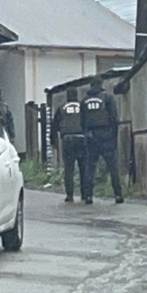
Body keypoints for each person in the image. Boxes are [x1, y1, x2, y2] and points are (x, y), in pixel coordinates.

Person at [83, 76, 123, 204]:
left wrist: (87, 134)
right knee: (112, 167)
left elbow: (82, 121)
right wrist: (113, 135)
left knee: (90, 167)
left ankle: (88, 196)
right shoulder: (107, 98)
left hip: (91, 136)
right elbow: (114, 118)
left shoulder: (84, 101)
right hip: (106, 135)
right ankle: (118, 195)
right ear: (101, 84)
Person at [51, 89, 89, 203]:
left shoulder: (62, 108)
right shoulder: (82, 107)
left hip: (67, 139)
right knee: (84, 168)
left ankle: (70, 195)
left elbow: (54, 126)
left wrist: (53, 141)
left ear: (67, 97)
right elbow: (88, 122)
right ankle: (85, 194)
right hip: (82, 138)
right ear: (76, 96)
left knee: (69, 168)